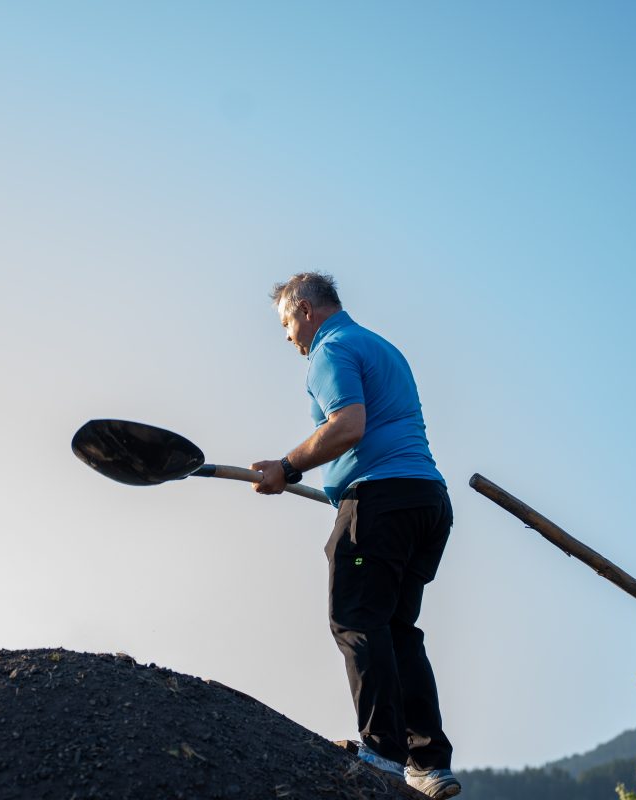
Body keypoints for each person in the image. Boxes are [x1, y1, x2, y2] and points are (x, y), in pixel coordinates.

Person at [251, 272, 461, 799]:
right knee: (397, 629)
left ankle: (383, 752)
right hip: (427, 502)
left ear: (305, 310)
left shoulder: (331, 349)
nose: (288, 339)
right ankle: (428, 764)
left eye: (286, 325)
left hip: (380, 502)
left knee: (357, 620)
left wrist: (286, 467)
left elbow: (348, 425)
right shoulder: (379, 346)